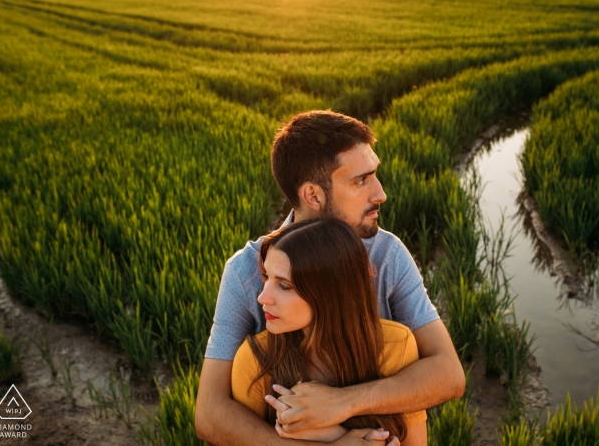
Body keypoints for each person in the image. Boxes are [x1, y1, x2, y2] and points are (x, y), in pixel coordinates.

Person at [195, 110, 465, 446]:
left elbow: (449, 375)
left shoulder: (387, 254)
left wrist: (341, 403)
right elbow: (209, 412)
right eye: (360, 180)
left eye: (374, 176)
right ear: (314, 196)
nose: (380, 193)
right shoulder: (245, 271)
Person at [232, 218, 426, 445]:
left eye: (284, 285)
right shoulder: (255, 361)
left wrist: (330, 434)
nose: (262, 297)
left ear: (332, 293)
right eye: (267, 277)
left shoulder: (396, 346)